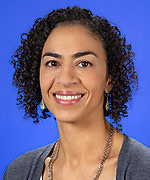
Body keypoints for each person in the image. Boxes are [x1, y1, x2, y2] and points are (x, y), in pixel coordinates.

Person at [3, 6, 150, 180]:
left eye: (84, 64)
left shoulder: (143, 169)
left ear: (109, 80)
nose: (65, 79)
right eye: (52, 63)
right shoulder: (18, 172)